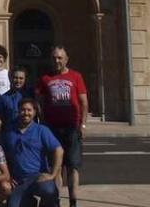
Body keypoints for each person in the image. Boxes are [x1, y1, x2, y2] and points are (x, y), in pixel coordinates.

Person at [36, 46, 88, 207]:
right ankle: (55, 200)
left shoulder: (76, 76)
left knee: (72, 166)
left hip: (72, 127)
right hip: (52, 128)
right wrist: (42, 121)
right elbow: (38, 101)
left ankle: (73, 201)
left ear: (66, 59)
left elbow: (84, 102)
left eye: (59, 58)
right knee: (56, 167)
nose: (56, 61)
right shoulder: (45, 78)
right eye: (54, 58)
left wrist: (83, 125)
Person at [2, 99, 63, 207]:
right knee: (12, 205)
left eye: (29, 110)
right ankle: (30, 202)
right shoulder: (10, 132)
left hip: (38, 178)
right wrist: (8, 176)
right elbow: (4, 157)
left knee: (49, 191)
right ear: (18, 111)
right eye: (23, 110)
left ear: (34, 112)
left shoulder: (41, 130)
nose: (26, 113)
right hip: (19, 180)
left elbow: (58, 150)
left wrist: (52, 174)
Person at [0, 67, 32, 141]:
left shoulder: (30, 96)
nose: (18, 80)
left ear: (25, 79)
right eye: (15, 78)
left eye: (21, 78)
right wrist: (0, 138)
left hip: (28, 135)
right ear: (10, 78)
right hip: (10, 135)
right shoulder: (4, 98)